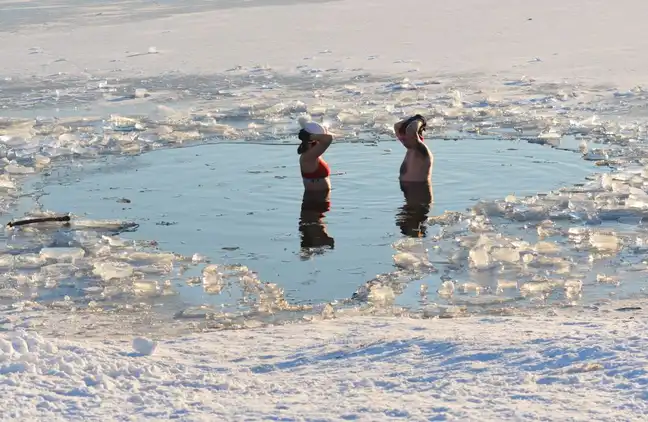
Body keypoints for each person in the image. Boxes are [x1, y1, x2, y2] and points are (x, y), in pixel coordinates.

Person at [393, 114, 434, 237]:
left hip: (420, 196)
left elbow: (411, 132)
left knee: (415, 223)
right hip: (411, 194)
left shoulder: (422, 151)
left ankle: (416, 233)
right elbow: (397, 126)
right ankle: (414, 230)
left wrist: (420, 120)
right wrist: (410, 122)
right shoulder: (411, 150)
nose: (403, 139)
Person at [297, 117, 334, 192]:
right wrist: (310, 136)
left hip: (320, 198)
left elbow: (327, 137)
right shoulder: (308, 156)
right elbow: (328, 139)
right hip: (315, 200)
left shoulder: (313, 152)